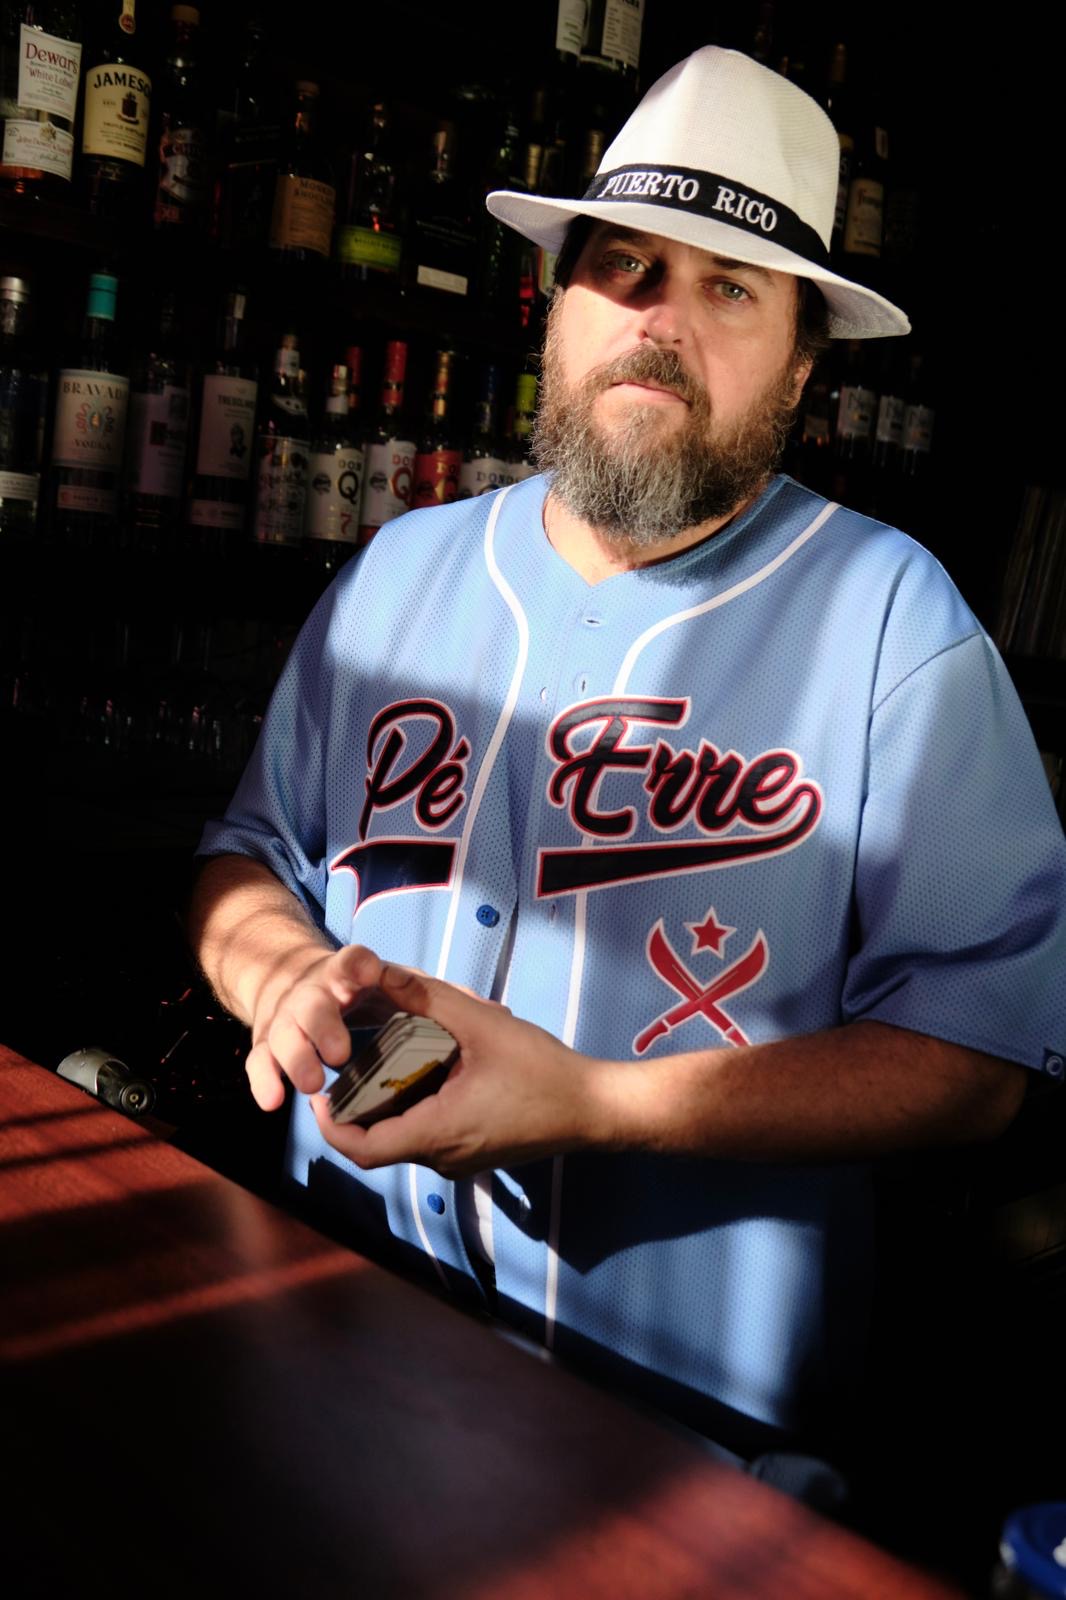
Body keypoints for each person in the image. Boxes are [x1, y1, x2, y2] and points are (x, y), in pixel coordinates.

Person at [189, 48, 1066, 1477]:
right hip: (328, 1338)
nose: (659, 322)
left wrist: (600, 1106)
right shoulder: (398, 573)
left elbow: (976, 1059)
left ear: (802, 362)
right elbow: (248, 859)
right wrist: (277, 971)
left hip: (683, 1453)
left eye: (730, 288)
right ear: (562, 304)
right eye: (627, 266)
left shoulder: (893, 620)